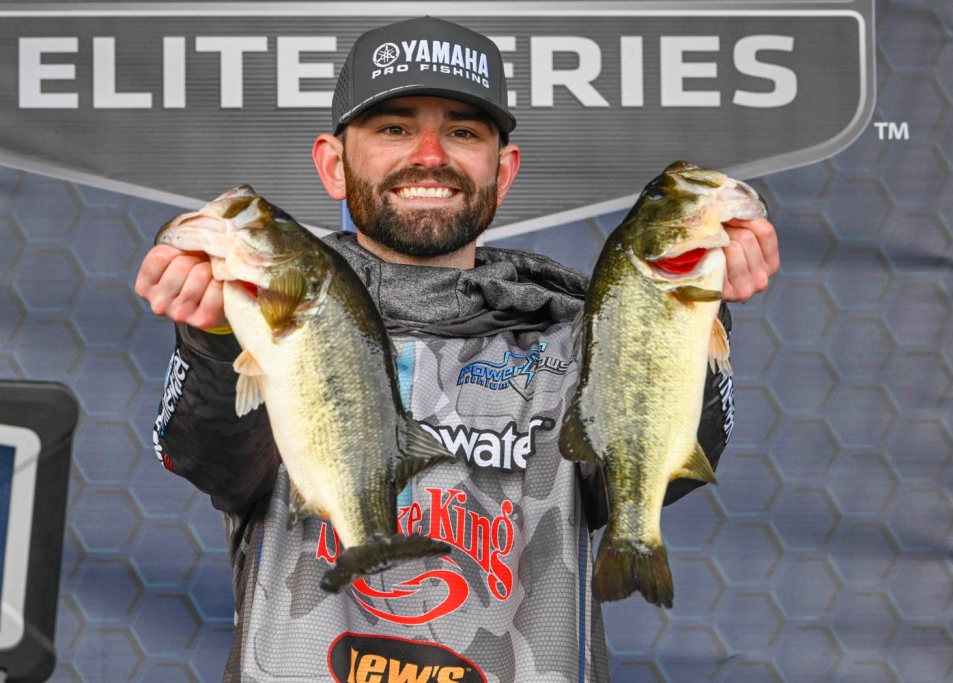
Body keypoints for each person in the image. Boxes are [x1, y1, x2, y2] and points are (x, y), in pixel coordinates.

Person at [135, 16, 779, 683]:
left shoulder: (578, 334)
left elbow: (647, 481)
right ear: (332, 164)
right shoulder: (276, 320)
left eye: (463, 132)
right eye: (394, 128)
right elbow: (211, 458)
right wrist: (212, 338)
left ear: (504, 170)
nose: (430, 155)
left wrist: (695, 310)